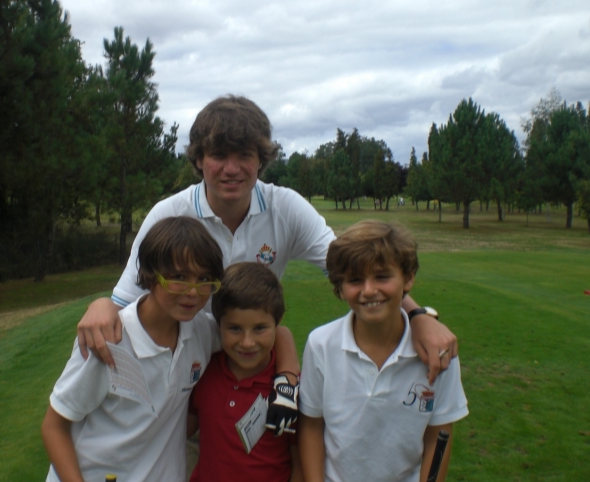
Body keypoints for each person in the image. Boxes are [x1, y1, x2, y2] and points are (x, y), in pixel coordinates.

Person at [76, 94, 456, 429]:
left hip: (254, 367)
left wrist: (418, 316)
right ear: (199, 160)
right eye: (219, 155)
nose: (231, 168)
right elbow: (125, 300)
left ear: (261, 160)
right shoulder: (169, 213)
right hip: (183, 377)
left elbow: (351, 271)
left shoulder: (285, 206)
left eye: (245, 155)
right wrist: (99, 304)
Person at [41, 217, 226, 481]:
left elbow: (261, 333)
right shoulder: (108, 340)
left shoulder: (202, 332)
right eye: (179, 277)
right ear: (150, 277)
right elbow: (54, 426)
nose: (193, 292)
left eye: (204, 279)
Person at [298, 220, 469, 482]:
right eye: (355, 280)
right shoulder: (321, 344)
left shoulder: (439, 351)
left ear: (408, 278)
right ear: (340, 287)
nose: (369, 290)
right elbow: (311, 425)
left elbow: (439, 434)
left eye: (382, 276)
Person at [187, 262, 303, 482]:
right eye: (235, 328)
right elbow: (180, 431)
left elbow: (300, 463)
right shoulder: (204, 370)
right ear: (218, 325)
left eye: (259, 328)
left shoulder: (291, 390)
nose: (247, 342)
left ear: (277, 323)